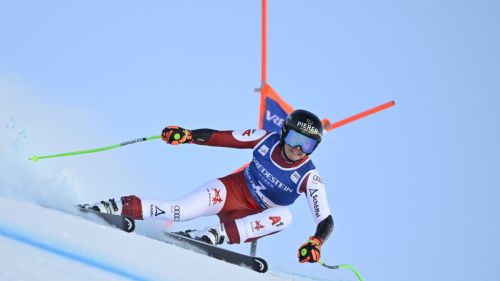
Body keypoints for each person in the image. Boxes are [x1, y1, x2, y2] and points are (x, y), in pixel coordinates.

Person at [84, 109, 333, 264]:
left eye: (307, 145)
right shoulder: (263, 139)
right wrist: (188, 135)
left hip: (252, 217)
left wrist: (316, 242)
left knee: (285, 217)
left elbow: (325, 219)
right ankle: (114, 206)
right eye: (294, 139)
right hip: (231, 192)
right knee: (179, 211)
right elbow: (222, 136)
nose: (298, 148)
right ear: (284, 133)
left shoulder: (309, 177)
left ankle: (211, 235)